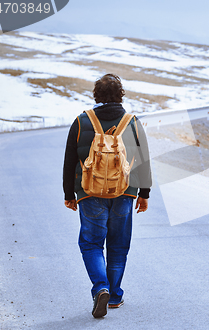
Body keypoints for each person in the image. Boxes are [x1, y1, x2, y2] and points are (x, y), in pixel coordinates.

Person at [63, 74, 152, 318]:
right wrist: (144, 193)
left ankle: (100, 287)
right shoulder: (132, 122)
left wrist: (69, 193)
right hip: (124, 192)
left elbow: (70, 160)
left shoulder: (82, 121)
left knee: (91, 244)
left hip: (89, 193)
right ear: (120, 95)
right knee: (118, 245)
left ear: (96, 95)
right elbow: (143, 161)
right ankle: (113, 296)